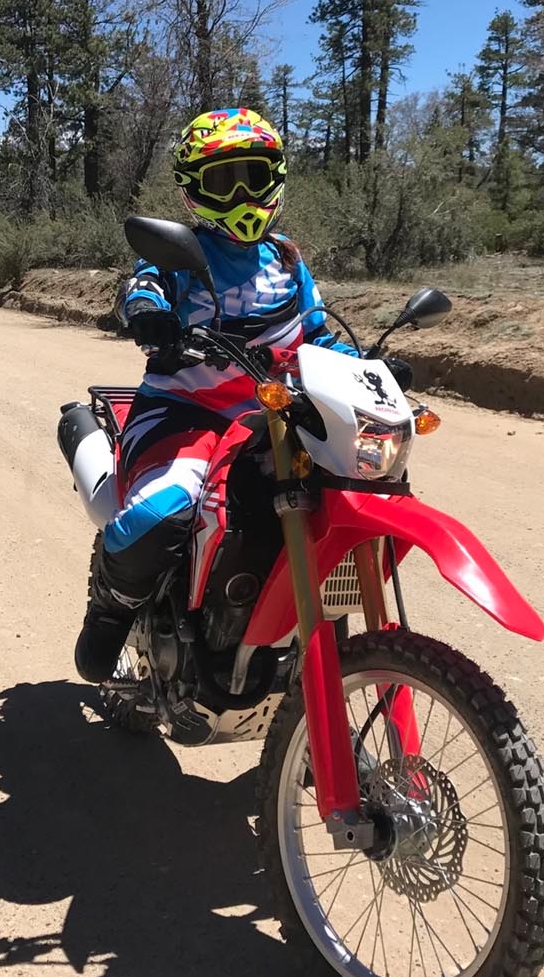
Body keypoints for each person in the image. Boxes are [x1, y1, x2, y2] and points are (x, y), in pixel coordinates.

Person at [74, 108, 405, 684]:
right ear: (194, 190)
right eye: (226, 181)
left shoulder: (287, 259)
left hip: (276, 414)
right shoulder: (179, 254)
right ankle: (111, 607)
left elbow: (319, 335)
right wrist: (149, 315)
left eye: (255, 175)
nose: (244, 193)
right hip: (186, 413)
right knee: (163, 512)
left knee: (345, 498)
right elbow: (140, 285)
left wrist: (372, 368)